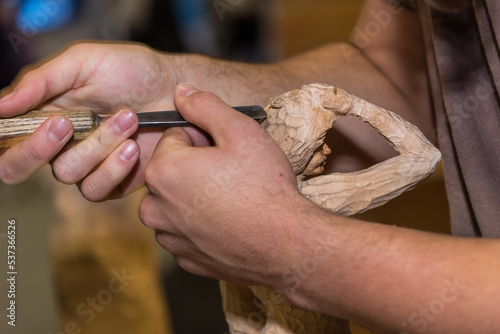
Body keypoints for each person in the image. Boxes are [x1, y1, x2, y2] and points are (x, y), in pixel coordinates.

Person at [0, 0, 499, 332]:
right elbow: (404, 80)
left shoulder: (320, 204)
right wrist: (177, 85)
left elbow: (419, 157)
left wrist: (297, 254)